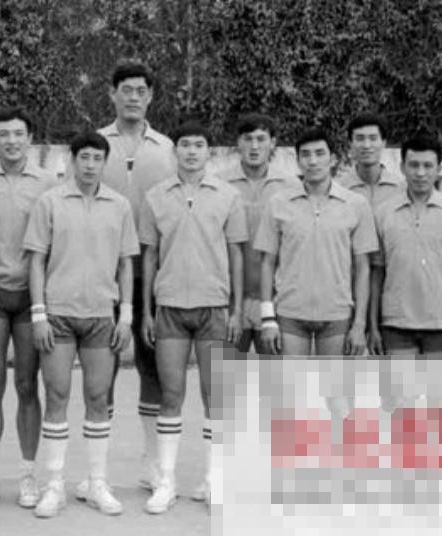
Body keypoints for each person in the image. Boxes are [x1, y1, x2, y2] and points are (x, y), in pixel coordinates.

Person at [24, 132, 140, 518]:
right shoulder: (50, 202)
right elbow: (36, 260)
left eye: (97, 158)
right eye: (84, 157)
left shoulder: (119, 205)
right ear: (72, 160)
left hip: (101, 316)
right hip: (57, 316)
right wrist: (38, 314)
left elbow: (126, 263)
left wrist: (126, 316)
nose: (90, 165)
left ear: (105, 162)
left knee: (97, 398)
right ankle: (54, 485)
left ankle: (96, 483)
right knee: (56, 395)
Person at [139, 121, 247, 513]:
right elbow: (149, 255)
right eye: (184, 144)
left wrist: (236, 309)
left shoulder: (228, 195)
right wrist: (147, 310)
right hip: (169, 306)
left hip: (213, 307)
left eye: (198, 145)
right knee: (171, 393)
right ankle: (166, 481)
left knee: (214, 396)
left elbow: (236, 254)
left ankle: (213, 480)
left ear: (208, 151)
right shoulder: (155, 196)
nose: (190, 151)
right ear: (175, 151)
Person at [255, 128, 377, 438]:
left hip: (336, 314)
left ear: (333, 159)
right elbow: (267, 261)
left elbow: (363, 267)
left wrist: (359, 324)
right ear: (297, 161)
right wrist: (268, 318)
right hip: (290, 314)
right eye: (305, 155)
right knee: (291, 399)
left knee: (337, 399)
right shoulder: (279, 202)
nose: (313, 161)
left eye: (320, 153)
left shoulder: (355, 204)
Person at [0, 107, 59, 507]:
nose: (11, 141)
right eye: (3, 134)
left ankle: (28, 476)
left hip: (30, 297)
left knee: (27, 385)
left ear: (30, 138)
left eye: (18, 134)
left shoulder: (47, 182)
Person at [95, 60, 176, 492]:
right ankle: (99, 472)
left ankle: (152, 463)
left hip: (150, 273)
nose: (132, 97)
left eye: (140, 90)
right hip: (101, 275)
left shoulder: (166, 149)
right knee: (101, 371)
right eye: (125, 89)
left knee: (153, 367)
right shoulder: (95, 144)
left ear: (151, 96)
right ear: (112, 94)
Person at [369, 135, 442, 356]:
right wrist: (373, 326)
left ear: (439, 169)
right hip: (396, 322)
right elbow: (377, 272)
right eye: (413, 165)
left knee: (437, 381)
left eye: (427, 166)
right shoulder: (383, 213)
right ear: (402, 167)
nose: (420, 173)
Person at [218, 113, 298, 353]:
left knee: (274, 376)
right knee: (224, 375)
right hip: (229, 301)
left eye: (261, 139)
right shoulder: (218, 185)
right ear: (238, 143)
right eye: (248, 138)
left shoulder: (291, 187)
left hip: (275, 301)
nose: (254, 146)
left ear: (273, 143)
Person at [335, 114, 405, 207]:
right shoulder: (339, 190)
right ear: (350, 144)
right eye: (360, 139)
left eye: (373, 138)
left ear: (383, 143)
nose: (367, 145)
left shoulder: (401, 188)